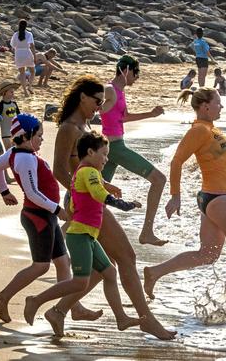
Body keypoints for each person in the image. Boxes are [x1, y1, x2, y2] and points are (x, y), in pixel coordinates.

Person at [49, 75, 176, 340]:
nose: (100, 106)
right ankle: (146, 319)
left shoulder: (83, 124)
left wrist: (104, 183)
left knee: (102, 268)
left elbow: (83, 166)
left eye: (103, 102)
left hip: (91, 200)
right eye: (97, 101)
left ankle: (60, 310)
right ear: (82, 97)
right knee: (127, 257)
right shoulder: (69, 128)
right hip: (84, 203)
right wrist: (77, 196)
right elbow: (59, 169)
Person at [142, 87, 226, 300]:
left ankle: (154, 272)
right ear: (206, 106)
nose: (221, 106)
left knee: (207, 255)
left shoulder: (211, 130)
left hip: (214, 198)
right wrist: (175, 195)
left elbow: (224, 162)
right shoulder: (199, 130)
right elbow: (177, 160)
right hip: (219, 199)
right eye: (218, 102)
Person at [23, 131, 144, 334]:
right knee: (80, 281)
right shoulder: (89, 172)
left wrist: (107, 187)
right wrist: (124, 205)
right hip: (80, 236)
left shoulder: (86, 171)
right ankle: (36, 300)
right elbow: (98, 193)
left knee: (109, 272)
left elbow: (91, 193)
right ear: (90, 152)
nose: (106, 159)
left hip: (88, 235)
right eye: (104, 154)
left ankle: (121, 318)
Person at [0, 113, 73, 323]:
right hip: (38, 217)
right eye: (39, 135)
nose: (42, 139)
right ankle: (3, 297)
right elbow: (33, 193)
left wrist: (4, 191)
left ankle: (66, 308)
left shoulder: (15, 153)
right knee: (41, 266)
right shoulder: (24, 158)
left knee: (63, 263)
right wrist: (57, 210)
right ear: (26, 136)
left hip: (46, 216)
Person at [100, 55, 168, 246]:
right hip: (115, 148)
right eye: (136, 74)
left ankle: (61, 239)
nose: (137, 78)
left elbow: (124, 118)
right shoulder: (111, 90)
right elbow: (100, 97)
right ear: (127, 70)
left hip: (110, 150)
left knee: (95, 197)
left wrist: (151, 114)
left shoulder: (120, 92)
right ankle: (147, 232)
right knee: (159, 179)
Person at [10, 19, 36, 96]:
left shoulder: (15, 34)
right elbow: (32, 46)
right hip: (27, 52)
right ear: (26, 26)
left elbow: (13, 46)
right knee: (32, 71)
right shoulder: (29, 34)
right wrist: (34, 56)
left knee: (22, 73)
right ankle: (30, 86)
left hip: (18, 53)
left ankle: (25, 91)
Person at [0, 81, 21, 154]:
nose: (13, 93)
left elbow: (19, 116)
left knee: (16, 152)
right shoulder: (0, 105)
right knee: (9, 153)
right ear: (4, 93)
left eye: (13, 92)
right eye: (11, 92)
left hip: (15, 132)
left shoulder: (14, 104)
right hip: (5, 133)